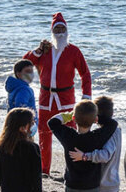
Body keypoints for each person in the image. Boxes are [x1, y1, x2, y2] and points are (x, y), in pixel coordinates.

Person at [24, 12, 92, 175]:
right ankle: (44, 170)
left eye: (62, 28)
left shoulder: (74, 51)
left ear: (67, 30)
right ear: (52, 31)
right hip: (46, 99)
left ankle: (72, 169)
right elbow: (25, 64)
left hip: (66, 101)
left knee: (70, 136)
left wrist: (86, 97)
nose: (60, 31)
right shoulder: (45, 50)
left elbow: (85, 74)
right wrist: (38, 50)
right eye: (57, 28)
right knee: (44, 135)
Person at [5, 59, 37, 135]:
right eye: (27, 71)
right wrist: (29, 124)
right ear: (18, 74)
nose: (31, 74)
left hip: (13, 124)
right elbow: (21, 108)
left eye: (32, 71)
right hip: (24, 127)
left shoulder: (15, 87)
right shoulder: (24, 89)